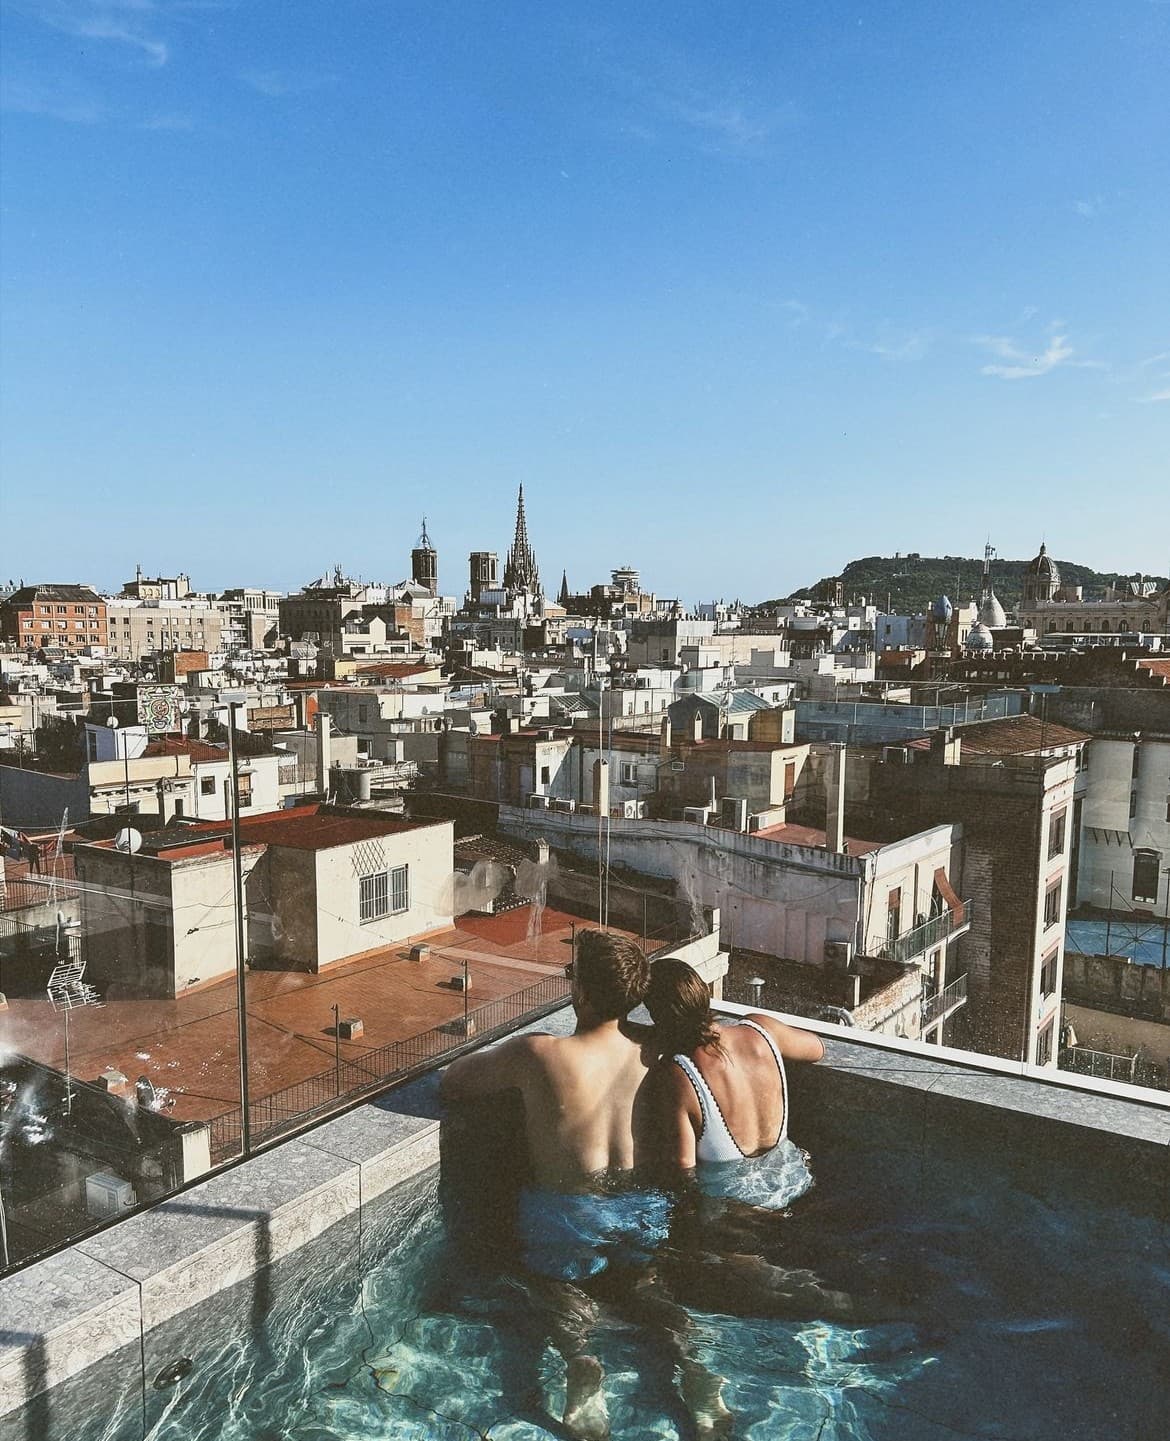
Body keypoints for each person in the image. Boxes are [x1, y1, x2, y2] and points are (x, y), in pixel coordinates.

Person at [440, 928, 663, 1439]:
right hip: (641, 1206)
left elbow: (453, 1082)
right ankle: (690, 1364)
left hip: (569, 1211)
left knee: (560, 1297)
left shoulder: (540, 1054)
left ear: (581, 993)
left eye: (571, 974)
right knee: (648, 1293)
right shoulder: (652, 1048)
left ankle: (579, 1359)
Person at [644, 958, 824, 1174]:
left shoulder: (679, 1075)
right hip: (791, 1179)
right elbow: (818, 1049)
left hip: (733, 1205)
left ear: (657, 1016)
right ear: (704, 993)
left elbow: (683, 1167)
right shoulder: (762, 1030)